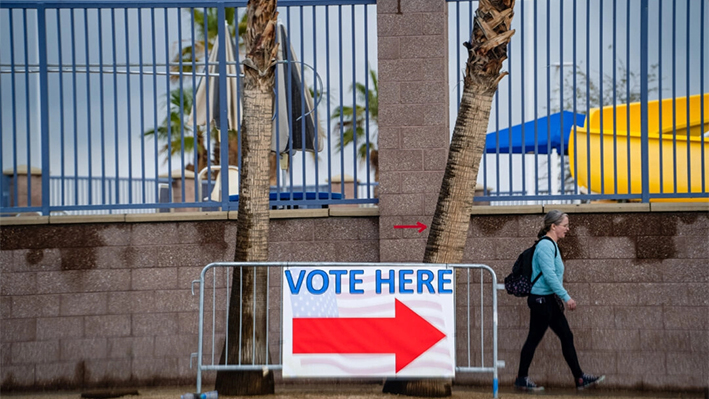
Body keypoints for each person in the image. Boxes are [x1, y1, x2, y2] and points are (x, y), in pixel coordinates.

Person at [514, 210, 605, 391]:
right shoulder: (545, 246)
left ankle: (580, 378)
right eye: (564, 225)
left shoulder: (551, 245)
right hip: (541, 301)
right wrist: (566, 297)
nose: (568, 229)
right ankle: (522, 378)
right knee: (534, 338)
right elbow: (549, 275)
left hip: (547, 300)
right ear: (553, 226)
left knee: (565, 336)